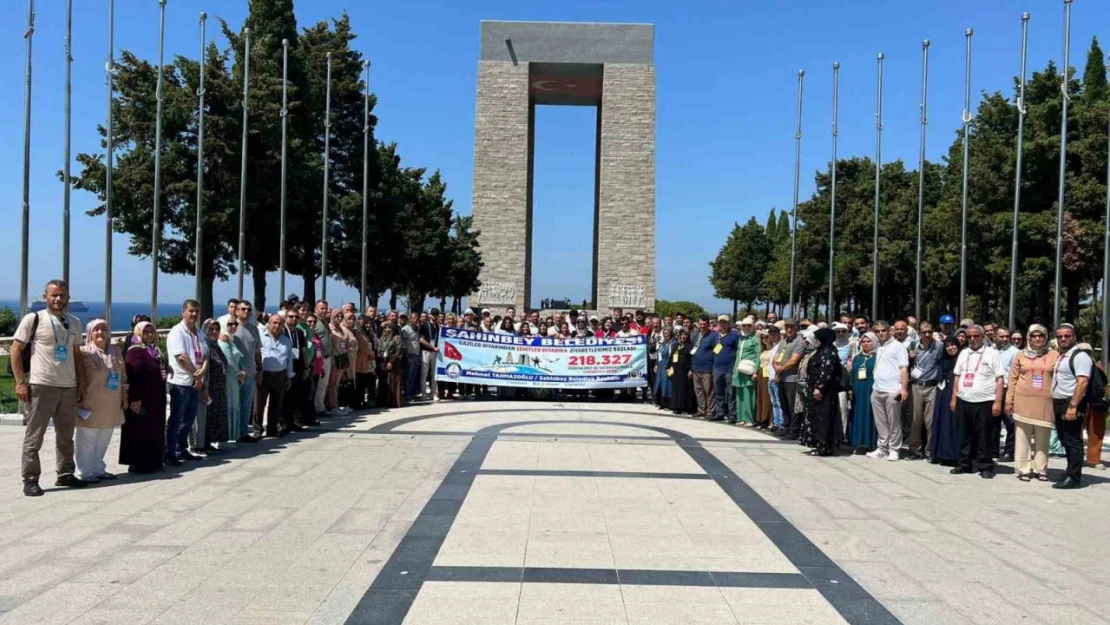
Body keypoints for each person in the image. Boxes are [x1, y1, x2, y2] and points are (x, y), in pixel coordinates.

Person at [12, 279, 88, 495]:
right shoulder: (34, 319)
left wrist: (81, 383)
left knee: (66, 435)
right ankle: (30, 479)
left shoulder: (74, 322)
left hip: (68, 386)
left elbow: (76, 354)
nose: (58, 299)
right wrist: (20, 382)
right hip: (41, 385)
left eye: (62, 295)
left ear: (68, 298)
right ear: (45, 296)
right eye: (54, 295)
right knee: (34, 436)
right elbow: (16, 349)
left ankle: (65, 474)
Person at [949, 324, 1004, 479]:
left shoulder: (992, 353)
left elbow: (1000, 380)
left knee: (984, 436)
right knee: (964, 434)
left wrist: (998, 402)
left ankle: (985, 465)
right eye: (969, 337)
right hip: (964, 399)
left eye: (975, 336)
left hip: (985, 401)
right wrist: (954, 398)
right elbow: (957, 377)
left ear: (982, 337)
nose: (972, 339)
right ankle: (965, 463)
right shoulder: (963, 353)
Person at [75, 318, 125, 483]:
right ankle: (85, 471)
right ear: (89, 333)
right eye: (96, 330)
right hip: (90, 401)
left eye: (103, 329)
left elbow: (122, 376)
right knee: (87, 438)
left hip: (111, 402)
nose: (100, 333)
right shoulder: (83, 352)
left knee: (104, 437)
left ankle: (98, 468)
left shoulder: (116, 352)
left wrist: (125, 395)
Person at [1005, 324, 1056, 482]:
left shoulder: (1054, 355)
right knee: (1022, 437)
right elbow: (1012, 379)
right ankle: (1024, 469)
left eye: (1040, 335)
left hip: (1045, 402)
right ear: (1029, 337)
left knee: (1043, 437)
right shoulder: (1020, 355)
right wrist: (1009, 401)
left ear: (1046, 337)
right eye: (1034, 335)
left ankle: (1041, 468)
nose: (1037, 338)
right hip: (1022, 401)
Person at [120, 321, 168, 474]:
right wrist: (136, 398)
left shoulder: (153, 350)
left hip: (156, 397)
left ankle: (154, 460)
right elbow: (134, 375)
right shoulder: (135, 351)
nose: (149, 334)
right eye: (145, 332)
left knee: (155, 429)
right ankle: (139, 462)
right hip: (142, 397)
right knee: (142, 430)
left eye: (151, 331)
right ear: (138, 333)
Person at [166, 299, 207, 465]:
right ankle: (169, 452)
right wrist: (197, 376)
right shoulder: (177, 332)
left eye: (197, 311)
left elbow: (205, 355)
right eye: (191, 311)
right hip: (180, 382)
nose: (194, 314)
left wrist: (201, 374)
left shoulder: (200, 333)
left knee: (189, 419)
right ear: (183, 311)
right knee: (176, 419)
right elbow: (181, 357)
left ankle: (181, 448)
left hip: (195, 381)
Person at [1051, 323, 1092, 489]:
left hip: (1072, 402)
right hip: (1060, 402)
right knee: (1064, 438)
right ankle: (1070, 470)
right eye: (1060, 336)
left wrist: (1073, 405)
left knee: (1073, 440)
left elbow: (1083, 381)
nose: (1063, 339)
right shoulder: (1063, 355)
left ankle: (1074, 478)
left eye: (1067, 336)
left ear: (1074, 337)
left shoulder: (1080, 356)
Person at [868, 321, 908, 461]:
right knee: (881, 422)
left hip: (893, 390)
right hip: (877, 389)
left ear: (889, 330)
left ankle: (894, 449)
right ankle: (882, 448)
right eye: (877, 331)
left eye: (883, 330)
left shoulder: (898, 346)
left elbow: (904, 368)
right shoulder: (879, 347)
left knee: (894, 421)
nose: (880, 333)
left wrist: (903, 388)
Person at [802, 327, 843, 456]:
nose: (815, 341)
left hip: (823, 393)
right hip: (814, 391)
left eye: (817, 338)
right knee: (816, 418)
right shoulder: (820, 351)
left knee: (824, 418)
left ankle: (825, 446)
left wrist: (819, 387)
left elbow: (826, 372)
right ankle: (818, 444)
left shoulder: (829, 352)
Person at [907, 321, 942, 459]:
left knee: (930, 420)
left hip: (932, 386)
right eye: (924, 332)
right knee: (915, 420)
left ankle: (930, 450)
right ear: (919, 333)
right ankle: (915, 449)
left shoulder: (939, 346)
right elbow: (905, 365)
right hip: (916, 386)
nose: (927, 334)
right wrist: (909, 358)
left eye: (929, 332)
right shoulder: (913, 346)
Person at [258, 314, 294, 437]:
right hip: (264, 374)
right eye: (274, 323)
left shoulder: (286, 341)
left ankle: (272, 429)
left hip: (280, 375)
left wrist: (289, 377)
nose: (277, 326)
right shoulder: (261, 337)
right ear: (269, 323)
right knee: (259, 403)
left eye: (279, 323)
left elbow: (289, 360)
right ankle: (258, 430)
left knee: (276, 403)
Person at [229, 300, 261, 443]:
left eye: (249, 310)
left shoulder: (254, 329)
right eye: (243, 309)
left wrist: (259, 369)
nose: (246, 312)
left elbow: (257, 351)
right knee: (233, 404)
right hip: (234, 374)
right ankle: (232, 433)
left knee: (246, 404)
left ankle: (242, 432)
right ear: (236, 311)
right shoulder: (230, 328)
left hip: (250, 373)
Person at [928, 336, 963, 465]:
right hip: (942, 395)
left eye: (953, 345)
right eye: (947, 346)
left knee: (953, 424)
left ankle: (953, 455)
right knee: (941, 423)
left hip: (956, 394)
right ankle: (940, 453)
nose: (950, 348)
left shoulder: (962, 360)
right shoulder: (942, 361)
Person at [200, 318, 230, 450]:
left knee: (215, 414)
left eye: (217, 329)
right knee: (207, 415)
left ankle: (210, 441)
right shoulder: (204, 346)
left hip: (218, 387)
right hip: (209, 386)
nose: (214, 332)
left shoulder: (215, 345)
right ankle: (203, 443)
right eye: (211, 329)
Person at [847, 332, 879, 454]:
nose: (866, 344)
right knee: (857, 415)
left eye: (868, 341)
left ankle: (870, 443)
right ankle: (858, 442)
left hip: (871, 389)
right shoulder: (857, 357)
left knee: (870, 415)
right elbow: (852, 374)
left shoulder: (877, 357)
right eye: (863, 342)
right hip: (858, 391)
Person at [773, 319, 806, 438]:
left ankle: (794, 429)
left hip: (792, 378)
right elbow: (775, 358)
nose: (789, 329)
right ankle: (786, 426)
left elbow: (793, 361)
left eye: (791, 327)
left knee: (793, 405)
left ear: (797, 328)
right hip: (781, 378)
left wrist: (780, 369)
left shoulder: (799, 342)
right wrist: (776, 366)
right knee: (783, 404)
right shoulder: (783, 341)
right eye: (787, 327)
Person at [217, 317, 247, 443]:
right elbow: (228, 361)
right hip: (229, 378)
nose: (234, 326)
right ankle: (227, 436)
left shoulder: (230, 340)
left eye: (235, 324)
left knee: (235, 405)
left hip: (235, 379)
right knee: (229, 405)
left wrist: (242, 371)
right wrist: (239, 373)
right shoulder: (223, 343)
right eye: (230, 324)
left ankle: (233, 435)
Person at [992, 326, 1019, 461]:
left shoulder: (1015, 352)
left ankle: (1010, 451)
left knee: (1010, 423)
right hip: (991, 390)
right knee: (993, 423)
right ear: (995, 337)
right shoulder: (989, 351)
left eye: (1007, 336)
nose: (1005, 339)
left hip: (1007, 389)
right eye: (1002, 336)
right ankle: (993, 450)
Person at [282, 309, 311, 427]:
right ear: (286, 318)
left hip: (298, 367)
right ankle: (282, 421)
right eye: (291, 316)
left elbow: (304, 350)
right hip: (285, 367)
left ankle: (292, 421)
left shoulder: (299, 332)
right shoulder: (283, 331)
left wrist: (306, 366)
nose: (294, 319)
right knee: (284, 395)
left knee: (295, 395)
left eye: (296, 317)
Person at [733, 316, 760, 426]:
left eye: (749, 325)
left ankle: (749, 419)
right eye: (744, 325)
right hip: (739, 370)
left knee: (749, 394)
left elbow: (758, 355)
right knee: (740, 395)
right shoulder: (741, 338)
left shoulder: (754, 339)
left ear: (752, 327)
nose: (746, 327)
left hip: (749, 370)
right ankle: (741, 418)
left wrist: (756, 371)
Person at [712, 315, 739, 422]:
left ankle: (732, 414)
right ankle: (720, 413)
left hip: (730, 369)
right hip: (717, 368)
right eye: (721, 322)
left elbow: (738, 350)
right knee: (718, 393)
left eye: (725, 322)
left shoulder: (734, 335)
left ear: (729, 323)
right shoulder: (716, 336)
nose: (722, 324)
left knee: (731, 393)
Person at [690, 315, 717, 418]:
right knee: (699, 391)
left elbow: (716, 351)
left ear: (708, 324)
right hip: (696, 368)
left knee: (709, 391)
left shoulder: (713, 336)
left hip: (707, 369)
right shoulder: (695, 335)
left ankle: (710, 411)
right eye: (700, 324)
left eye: (704, 324)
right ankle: (701, 409)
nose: (702, 326)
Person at [312, 300, 334, 418]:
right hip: (318, 359)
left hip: (327, 357)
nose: (324, 311)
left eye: (325, 308)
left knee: (323, 385)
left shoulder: (324, 322)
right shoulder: (314, 321)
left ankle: (319, 407)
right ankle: (317, 408)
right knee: (318, 385)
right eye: (322, 308)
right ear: (316, 309)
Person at [669, 329, 696, 415]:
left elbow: (693, 359)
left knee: (685, 389)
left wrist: (691, 370)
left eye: (685, 335)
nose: (683, 337)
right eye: (681, 335)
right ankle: (677, 407)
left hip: (686, 372)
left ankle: (686, 407)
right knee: (677, 390)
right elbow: (671, 358)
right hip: (676, 371)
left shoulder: (690, 346)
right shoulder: (675, 346)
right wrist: (668, 367)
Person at [379, 322, 405, 408]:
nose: (387, 329)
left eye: (389, 328)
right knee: (384, 381)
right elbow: (379, 351)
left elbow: (399, 351)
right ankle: (384, 402)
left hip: (394, 363)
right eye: (385, 328)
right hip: (384, 361)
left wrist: (391, 361)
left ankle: (394, 402)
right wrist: (381, 362)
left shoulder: (396, 338)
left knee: (394, 381)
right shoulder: (382, 338)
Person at [419, 310, 441, 402]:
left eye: (436, 315)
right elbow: (421, 339)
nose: (435, 316)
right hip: (426, 351)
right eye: (433, 314)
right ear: (430, 315)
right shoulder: (424, 326)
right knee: (424, 373)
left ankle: (433, 393)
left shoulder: (439, 327)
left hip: (435, 353)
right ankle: (423, 393)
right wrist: (432, 347)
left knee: (434, 374)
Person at [400, 313, 422, 402]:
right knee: (408, 376)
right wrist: (406, 355)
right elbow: (403, 343)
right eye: (414, 318)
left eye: (417, 318)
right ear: (410, 319)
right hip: (410, 355)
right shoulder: (405, 329)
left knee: (413, 376)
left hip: (416, 354)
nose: (416, 320)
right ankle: (407, 394)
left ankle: (412, 393)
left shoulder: (417, 328)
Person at [755, 330, 775, 428]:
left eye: (767, 337)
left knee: (769, 399)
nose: (765, 340)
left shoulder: (774, 350)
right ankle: (762, 419)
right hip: (761, 374)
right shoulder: (763, 350)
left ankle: (770, 421)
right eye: (763, 338)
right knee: (761, 398)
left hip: (769, 374)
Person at [653, 328, 675, 409]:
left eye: (668, 333)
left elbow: (672, 356)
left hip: (667, 367)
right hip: (660, 367)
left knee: (667, 385)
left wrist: (670, 366)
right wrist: (656, 364)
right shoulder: (662, 344)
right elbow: (658, 355)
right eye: (665, 333)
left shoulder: (673, 343)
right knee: (659, 385)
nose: (666, 335)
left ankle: (668, 404)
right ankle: (661, 403)